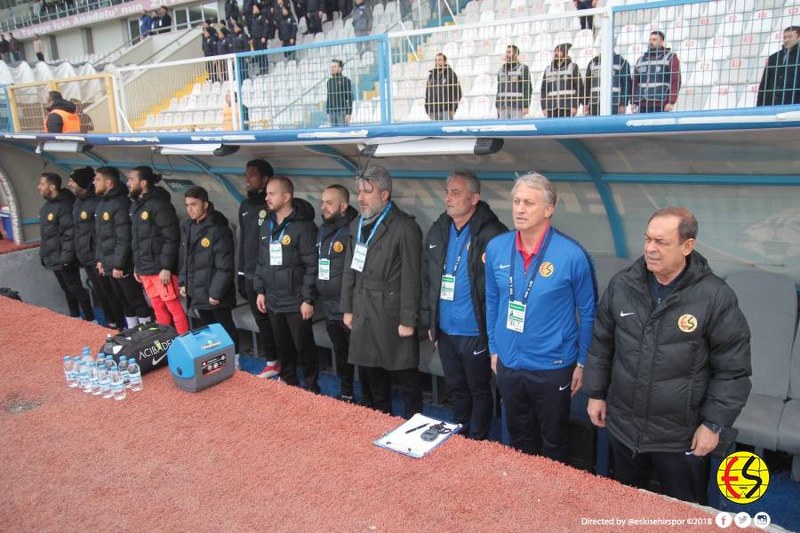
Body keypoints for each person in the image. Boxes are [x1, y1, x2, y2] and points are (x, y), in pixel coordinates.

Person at [583, 206, 752, 503]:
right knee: (627, 505)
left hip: (680, 437)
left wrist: (713, 424)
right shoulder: (623, 285)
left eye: (661, 242)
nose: (650, 248)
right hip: (624, 427)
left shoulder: (714, 297)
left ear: (687, 246)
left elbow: (733, 370)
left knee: (683, 512)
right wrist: (596, 392)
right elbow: (602, 343)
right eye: (647, 239)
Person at [484, 173, 596, 461]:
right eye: (517, 201)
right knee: (519, 438)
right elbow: (493, 301)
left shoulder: (572, 255)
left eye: (529, 203)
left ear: (549, 209)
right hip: (508, 362)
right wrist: (494, 348)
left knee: (553, 441)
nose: (520, 209)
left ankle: (552, 502)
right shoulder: (497, 248)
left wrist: (582, 362)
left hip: (553, 365)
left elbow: (588, 311)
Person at [421, 170, 507, 440]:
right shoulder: (439, 229)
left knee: (479, 389)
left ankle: (478, 439)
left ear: (474, 198)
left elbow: (504, 288)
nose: (448, 198)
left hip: (475, 330)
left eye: (455, 193)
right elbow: (428, 278)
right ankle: (460, 433)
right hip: (446, 329)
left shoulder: (493, 234)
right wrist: (431, 321)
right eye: (447, 192)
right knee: (456, 387)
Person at [341, 165, 423, 418]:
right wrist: (347, 307)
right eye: (359, 192)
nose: (361, 198)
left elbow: (412, 277)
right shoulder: (356, 225)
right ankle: (378, 418)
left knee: (404, 372)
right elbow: (349, 269)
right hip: (363, 306)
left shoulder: (404, 227)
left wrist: (408, 320)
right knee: (371, 370)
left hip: (391, 310)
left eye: (368, 191)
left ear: (385, 194)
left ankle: (413, 421)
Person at [254, 176, 319, 391]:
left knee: (305, 349)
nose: (267, 198)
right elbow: (261, 260)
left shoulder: (304, 227)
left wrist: (308, 299)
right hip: (273, 299)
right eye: (267, 193)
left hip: (296, 301)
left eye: (272, 193)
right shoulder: (267, 224)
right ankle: (289, 386)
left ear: (287, 196)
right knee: (283, 348)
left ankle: (311, 388)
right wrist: (260, 290)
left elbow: (312, 265)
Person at [317, 184, 371, 403]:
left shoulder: (355, 229)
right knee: (341, 353)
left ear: (343, 205)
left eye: (329, 203)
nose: (324, 207)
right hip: (329, 306)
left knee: (363, 356)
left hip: (350, 307)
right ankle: (346, 392)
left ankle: (369, 399)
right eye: (323, 202)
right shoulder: (322, 229)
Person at [128, 166, 188, 335]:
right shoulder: (136, 207)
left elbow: (171, 237)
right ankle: (165, 344)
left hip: (160, 269)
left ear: (144, 183)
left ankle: (184, 343)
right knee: (158, 308)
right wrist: (137, 266)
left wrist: (166, 267)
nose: (128, 183)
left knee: (174, 308)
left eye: (132, 179)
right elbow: (138, 240)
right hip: (146, 268)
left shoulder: (160, 205)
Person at [179, 186, 239, 351]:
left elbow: (225, 266)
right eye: (187, 205)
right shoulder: (189, 226)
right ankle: (218, 357)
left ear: (205, 205)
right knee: (209, 328)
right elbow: (187, 257)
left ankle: (235, 359)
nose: (190, 209)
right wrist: (183, 282)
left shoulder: (219, 229)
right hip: (197, 289)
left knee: (225, 327)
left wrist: (216, 292)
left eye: (194, 204)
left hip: (215, 292)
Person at [94, 166, 152, 329]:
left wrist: (119, 264)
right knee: (123, 300)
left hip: (122, 264)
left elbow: (124, 237)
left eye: (97, 179)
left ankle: (146, 333)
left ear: (109, 182)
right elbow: (101, 236)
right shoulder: (102, 203)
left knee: (135, 299)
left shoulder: (121, 203)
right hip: (109, 263)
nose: (94, 183)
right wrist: (100, 259)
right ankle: (133, 331)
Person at [237, 159, 281, 376]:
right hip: (250, 274)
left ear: (265, 179)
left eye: (252, 174)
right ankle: (272, 362)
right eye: (246, 174)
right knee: (262, 320)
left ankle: (286, 362)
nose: (247, 179)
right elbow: (244, 242)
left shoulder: (272, 207)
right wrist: (241, 273)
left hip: (269, 276)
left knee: (275, 320)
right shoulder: (245, 207)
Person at [66, 166, 124, 329]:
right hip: (85, 256)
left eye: (72, 181)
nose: (69, 184)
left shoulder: (98, 202)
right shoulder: (77, 202)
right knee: (99, 293)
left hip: (98, 257)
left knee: (110, 293)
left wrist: (100, 257)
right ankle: (108, 322)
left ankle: (118, 324)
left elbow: (102, 233)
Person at [37, 172, 95, 322]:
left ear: (52, 186)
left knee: (76, 289)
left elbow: (70, 233)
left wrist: (66, 257)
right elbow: (48, 235)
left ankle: (90, 319)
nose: (39, 187)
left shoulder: (64, 205)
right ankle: (75, 318)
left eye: (42, 184)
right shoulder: (46, 207)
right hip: (53, 257)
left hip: (64, 258)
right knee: (67, 290)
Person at [632, 31, 681, 113]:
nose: (651, 42)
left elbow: (676, 80)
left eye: (654, 39)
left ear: (662, 41)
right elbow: (635, 82)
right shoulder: (640, 60)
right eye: (650, 39)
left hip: (661, 105)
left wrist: (671, 102)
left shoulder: (671, 57)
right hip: (643, 105)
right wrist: (633, 101)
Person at [757, 26, 800, 107]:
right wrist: (760, 106)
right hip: (771, 105)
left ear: (798, 38)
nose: (786, 40)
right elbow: (764, 84)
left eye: (790, 37)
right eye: (784, 37)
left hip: (794, 105)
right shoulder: (774, 57)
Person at [584, 50, 632, 116]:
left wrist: (623, 104)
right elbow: (587, 85)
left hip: (614, 103)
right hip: (595, 103)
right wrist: (585, 103)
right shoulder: (592, 62)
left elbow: (626, 85)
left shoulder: (622, 62)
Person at [541, 43, 583, 118]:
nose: (556, 53)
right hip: (551, 107)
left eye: (559, 51)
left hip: (567, 107)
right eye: (555, 51)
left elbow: (579, 87)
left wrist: (575, 106)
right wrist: (544, 107)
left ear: (565, 53)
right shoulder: (548, 69)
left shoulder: (573, 67)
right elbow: (544, 90)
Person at [496, 45, 532, 120]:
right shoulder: (501, 70)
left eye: (509, 52)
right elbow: (499, 90)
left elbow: (527, 87)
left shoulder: (523, 68)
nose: (506, 54)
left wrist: (526, 105)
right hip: (503, 106)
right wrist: (497, 105)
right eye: (506, 52)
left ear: (516, 54)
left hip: (517, 106)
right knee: (503, 129)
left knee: (517, 129)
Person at [424, 53, 462, 121]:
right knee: (434, 131)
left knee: (445, 130)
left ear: (445, 61)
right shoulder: (431, 76)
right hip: (433, 111)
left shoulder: (451, 74)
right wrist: (427, 109)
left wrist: (453, 109)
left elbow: (458, 93)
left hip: (446, 110)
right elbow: (427, 94)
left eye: (439, 60)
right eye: (436, 60)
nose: (437, 62)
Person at [326, 59, 353, 126]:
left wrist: (349, 113)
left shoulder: (346, 80)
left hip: (342, 111)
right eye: (331, 66)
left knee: (343, 134)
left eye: (335, 66)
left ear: (340, 68)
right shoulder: (329, 81)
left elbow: (349, 98)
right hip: (332, 112)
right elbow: (329, 97)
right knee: (333, 134)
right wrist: (328, 112)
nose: (332, 68)